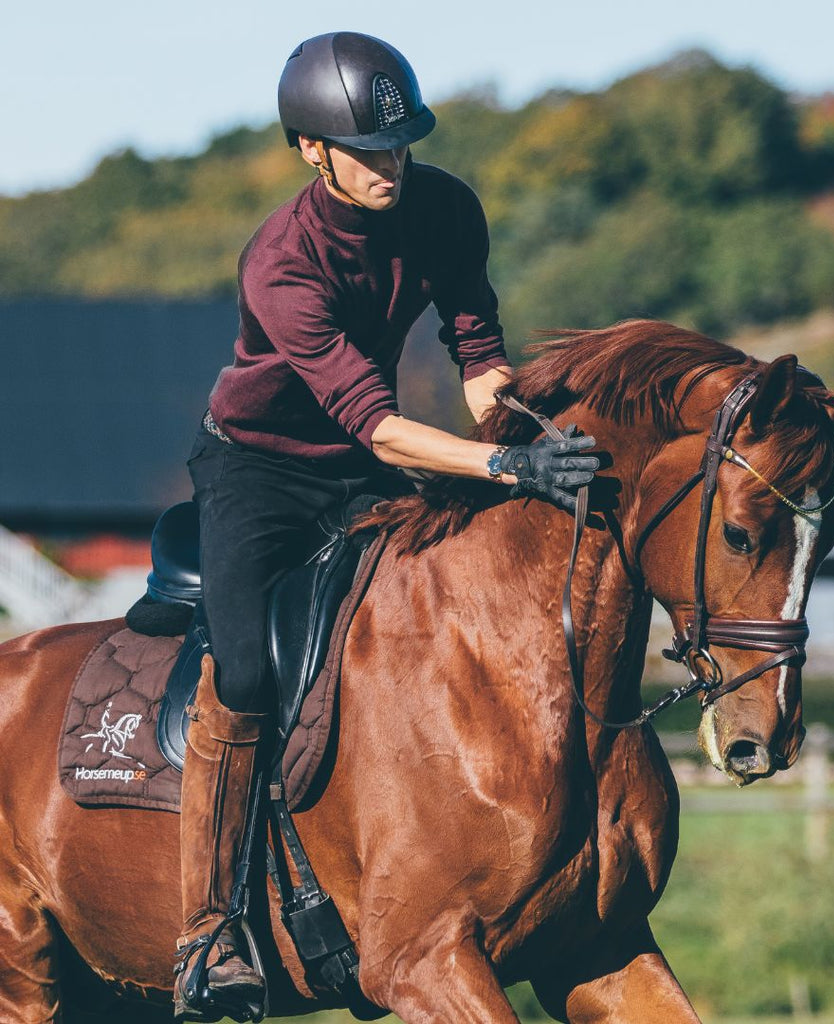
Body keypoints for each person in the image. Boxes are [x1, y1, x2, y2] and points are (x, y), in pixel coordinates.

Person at [173, 31, 599, 1022]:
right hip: (260, 472)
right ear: (309, 152)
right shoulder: (283, 258)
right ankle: (208, 932)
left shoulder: (445, 206)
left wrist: (523, 437)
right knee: (241, 670)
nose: (388, 167)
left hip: (367, 462)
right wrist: (500, 464)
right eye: (367, 153)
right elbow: (373, 419)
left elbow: (478, 347)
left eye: (400, 145)